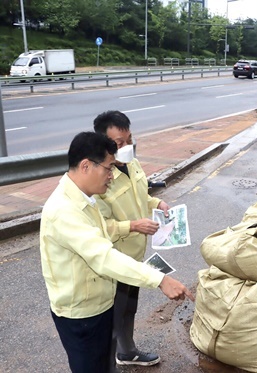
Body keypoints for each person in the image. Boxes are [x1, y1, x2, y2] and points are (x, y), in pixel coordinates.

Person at [39, 131, 194, 373]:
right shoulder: (64, 211)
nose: (112, 176)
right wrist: (160, 279)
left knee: (104, 363)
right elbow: (103, 256)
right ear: (86, 166)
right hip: (81, 315)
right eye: (108, 168)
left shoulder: (85, 197)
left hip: (100, 302)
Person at [93, 110, 170, 367]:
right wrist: (134, 225)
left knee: (129, 308)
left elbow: (141, 196)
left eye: (129, 139)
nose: (126, 147)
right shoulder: (99, 178)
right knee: (113, 314)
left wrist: (156, 202)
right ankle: (111, 360)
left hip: (136, 257)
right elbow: (99, 227)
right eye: (119, 144)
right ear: (103, 144)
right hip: (115, 262)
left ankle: (126, 351)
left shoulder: (132, 163)